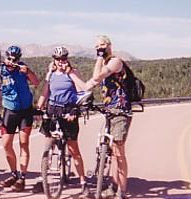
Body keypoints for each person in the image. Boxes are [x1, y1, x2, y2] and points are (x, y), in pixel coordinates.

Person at [33, 46, 89, 196]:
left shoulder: (73, 72)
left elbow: (81, 91)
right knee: (48, 145)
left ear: (67, 59)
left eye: (63, 58)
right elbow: (46, 92)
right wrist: (38, 108)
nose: (60, 61)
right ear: (54, 60)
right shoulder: (51, 73)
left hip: (68, 109)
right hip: (53, 109)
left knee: (73, 149)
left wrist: (75, 111)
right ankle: (43, 177)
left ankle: (83, 182)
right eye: (57, 59)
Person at [84, 35, 133, 199]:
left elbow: (97, 77)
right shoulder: (104, 63)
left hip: (120, 112)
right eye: (97, 45)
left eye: (103, 44)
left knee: (119, 153)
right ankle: (112, 186)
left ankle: (122, 191)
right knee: (111, 151)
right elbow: (92, 82)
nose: (100, 47)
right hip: (109, 112)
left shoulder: (115, 62)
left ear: (110, 45)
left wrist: (99, 58)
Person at [0, 45, 39, 192]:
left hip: (26, 111)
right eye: (9, 58)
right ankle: (13, 173)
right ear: (5, 57)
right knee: (6, 145)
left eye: (14, 59)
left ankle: (22, 177)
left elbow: (36, 82)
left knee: (23, 144)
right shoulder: (1, 70)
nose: (11, 61)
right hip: (10, 111)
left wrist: (29, 72)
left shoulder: (22, 68)